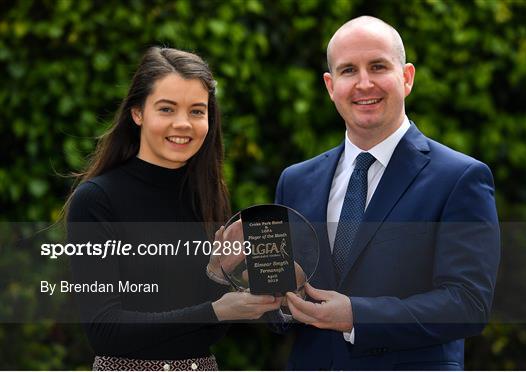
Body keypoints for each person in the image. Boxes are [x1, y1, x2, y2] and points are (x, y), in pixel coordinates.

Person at [275, 16, 500, 370]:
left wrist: (356, 316)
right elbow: (280, 307)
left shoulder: (460, 178)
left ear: (406, 77)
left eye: (378, 66)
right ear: (331, 85)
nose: (364, 83)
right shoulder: (296, 180)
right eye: (349, 70)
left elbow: (467, 304)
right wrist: (247, 279)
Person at [65, 47, 281, 371]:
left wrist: (220, 276)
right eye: (166, 109)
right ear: (137, 113)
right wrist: (218, 310)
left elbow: (206, 332)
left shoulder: (208, 195)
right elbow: (105, 332)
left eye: (197, 111)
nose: (183, 124)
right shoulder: (95, 201)